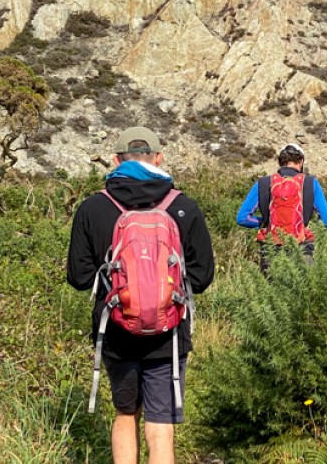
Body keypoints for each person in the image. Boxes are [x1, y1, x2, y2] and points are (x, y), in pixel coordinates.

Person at [67, 126, 214, 464]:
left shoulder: (93, 208)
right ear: (159, 158)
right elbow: (202, 276)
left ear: (116, 160)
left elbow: (78, 277)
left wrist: (118, 291)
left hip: (116, 331)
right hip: (169, 333)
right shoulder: (183, 206)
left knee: (125, 414)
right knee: (160, 425)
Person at [236, 144, 327, 272]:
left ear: (280, 162)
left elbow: (242, 218)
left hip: (271, 250)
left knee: (271, 290)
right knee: (303, 290)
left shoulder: (263, 183)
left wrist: (267, 222)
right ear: (301, 161)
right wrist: (308, 230)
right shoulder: (311, 183)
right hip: (301, 250)